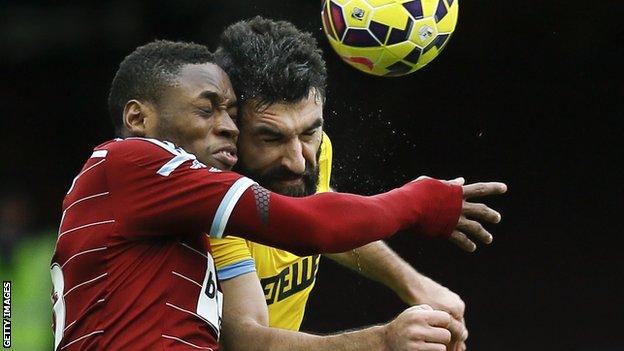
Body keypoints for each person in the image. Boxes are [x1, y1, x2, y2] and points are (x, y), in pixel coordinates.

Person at [51, 40, 505, 350]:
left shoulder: (171, 205)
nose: (226, 126)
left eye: (229, 112)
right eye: (206, 109)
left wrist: (413, 283)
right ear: (138, 117)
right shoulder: (134, 162)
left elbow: (319, 214)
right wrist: (422, 200)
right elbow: (314, 226)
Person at [210, 17, 498, 351]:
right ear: (230, 127)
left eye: (309, 132)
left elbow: (323, 220)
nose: (298, 160)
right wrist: (382, 341)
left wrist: (413, 283)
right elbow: (245, 341)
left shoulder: (315, 154)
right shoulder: (213, 198)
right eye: (270, 138)